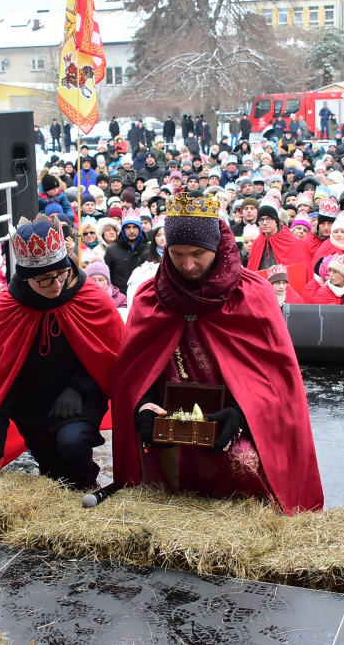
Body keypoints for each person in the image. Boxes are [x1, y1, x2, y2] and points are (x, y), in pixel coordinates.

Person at [111, 194, 323, 512]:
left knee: (243, 459)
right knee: (159, 462)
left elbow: (277, 379)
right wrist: (142, 407)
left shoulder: (252, 294)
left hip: (238, 420)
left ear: (218, 246)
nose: (188, 265)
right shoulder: (150, 297)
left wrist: (241, 414)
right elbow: (136, 372)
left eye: (198, 253)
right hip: (171, 422)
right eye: (177, 254)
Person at [0, 215, 124, 489]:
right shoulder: (9, 307)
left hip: (81, 399)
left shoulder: (90, 296)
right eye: (43, 279)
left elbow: (110, 357)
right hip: (33, 410)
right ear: (26, 279)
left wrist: (78, 388)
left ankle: (89, 488)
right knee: (54, 475)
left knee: (73, 445)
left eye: (61, 274)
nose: (56, 285)